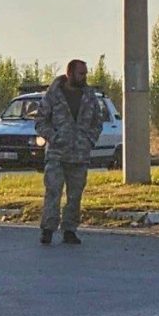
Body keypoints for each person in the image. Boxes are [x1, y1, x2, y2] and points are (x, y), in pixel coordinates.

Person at [35, 60, 104, 246]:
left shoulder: (89, 96)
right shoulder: (53, 95)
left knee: (75, 195)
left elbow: (98, 121)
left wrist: (89, 140)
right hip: (57, 154)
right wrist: (54, 137)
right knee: (53, 191)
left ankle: (70, 230)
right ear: (70, 74)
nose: (84, 77)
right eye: (81, 73)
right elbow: (40, 121)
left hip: (80, 154)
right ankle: (48, 229)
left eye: (86, 73)